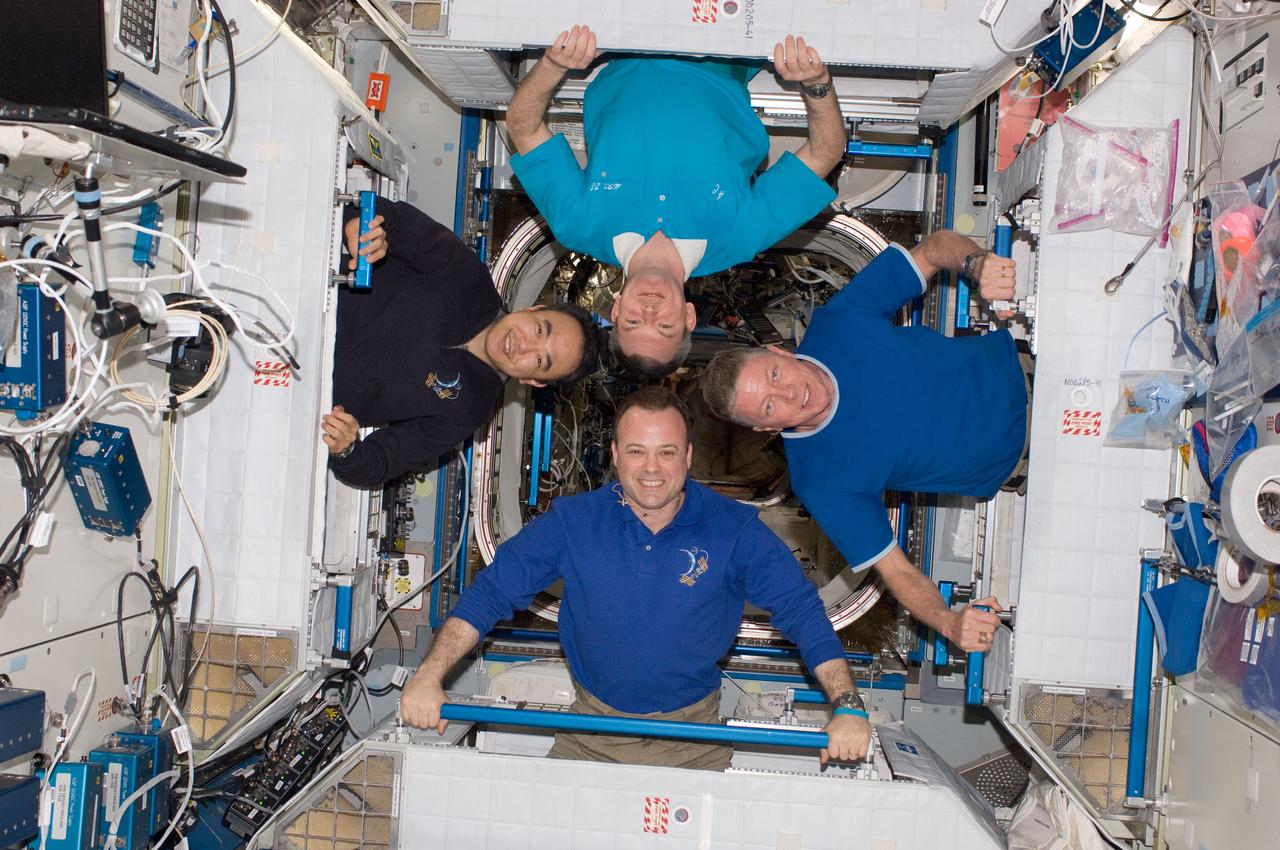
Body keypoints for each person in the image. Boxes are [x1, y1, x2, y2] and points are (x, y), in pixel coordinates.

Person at [399, 386, 872, 769]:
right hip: (589, 733)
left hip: (692, 740)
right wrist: (428, 676)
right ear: (615, 455)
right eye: (637, 451)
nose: (651, 469)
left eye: (666, 452)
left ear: (688, 456)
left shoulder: (735, 530)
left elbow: (803, 613)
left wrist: (847, 706)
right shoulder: (573, 522)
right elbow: (491, 593)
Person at [701, 231, 1031, 653]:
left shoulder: (837, 323)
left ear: (777, 352)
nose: (787, 395)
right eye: (767, 408)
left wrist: (976, 263)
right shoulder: (820, 481)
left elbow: (932, 249)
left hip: (1034, 367)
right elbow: (896, 572)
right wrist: (949, 623)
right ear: (766, 429)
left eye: (774, 376)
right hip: (1028, 464)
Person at [506, 25, 847, 377]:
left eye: (635, 321)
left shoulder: (578, 225)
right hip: (723, 48)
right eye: (665, 326)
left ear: (617, 309)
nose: (650, 310)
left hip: (625, 37)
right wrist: (816, 84)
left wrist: (554, 64)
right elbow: (825, 154)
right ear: (688, 316)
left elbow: (523, 127)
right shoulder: (738, 237)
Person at [321, 197, 604, 487]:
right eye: (540, 331)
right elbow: (395, 219)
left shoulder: (467, 412)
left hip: (303, 387)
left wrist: (347, 450)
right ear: (534, 309)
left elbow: (380, 463)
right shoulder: (467, 275)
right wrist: (362, 227)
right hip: (310, 293)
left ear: (535, 382)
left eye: (541, 361)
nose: (524, 345)